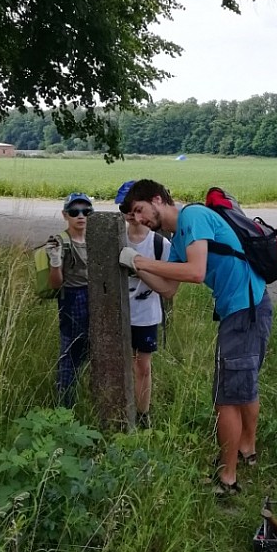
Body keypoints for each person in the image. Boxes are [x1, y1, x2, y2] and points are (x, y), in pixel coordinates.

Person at [118, 180, 273, 497]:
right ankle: (247, 449)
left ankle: (227, 478)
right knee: (242, 385)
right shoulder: (177, 241)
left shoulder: (193, 216)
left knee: (225, 397)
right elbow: (168, 289)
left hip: (245, 309)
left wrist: (141, 260)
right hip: (247, 308)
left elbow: (196, 271)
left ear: (157, 200)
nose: (139, 220)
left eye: (140, 210)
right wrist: (135, 265)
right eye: (132, 215)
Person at [115, 181, 172, 429]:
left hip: (146, 313)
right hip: (117, 312)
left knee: (143, 366)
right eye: (125, 209)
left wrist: (138, 266)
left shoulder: (160, 245)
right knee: (119, 363)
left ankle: (142, 414)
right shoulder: (113, 240)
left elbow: (167, 286)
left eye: (136, 208)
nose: (132, 215)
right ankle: (119, 410)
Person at [44, 192, 93, 408]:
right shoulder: (60, 241)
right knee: (71, 352)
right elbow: (56, 284)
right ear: (66, 215)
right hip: (73, 300)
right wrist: (55, 262)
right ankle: (65, 405)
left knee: (95, 349)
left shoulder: (96, 238)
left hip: (97, 297)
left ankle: (92, 396)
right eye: (75, 211)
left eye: (86, 211)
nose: (81, 216)